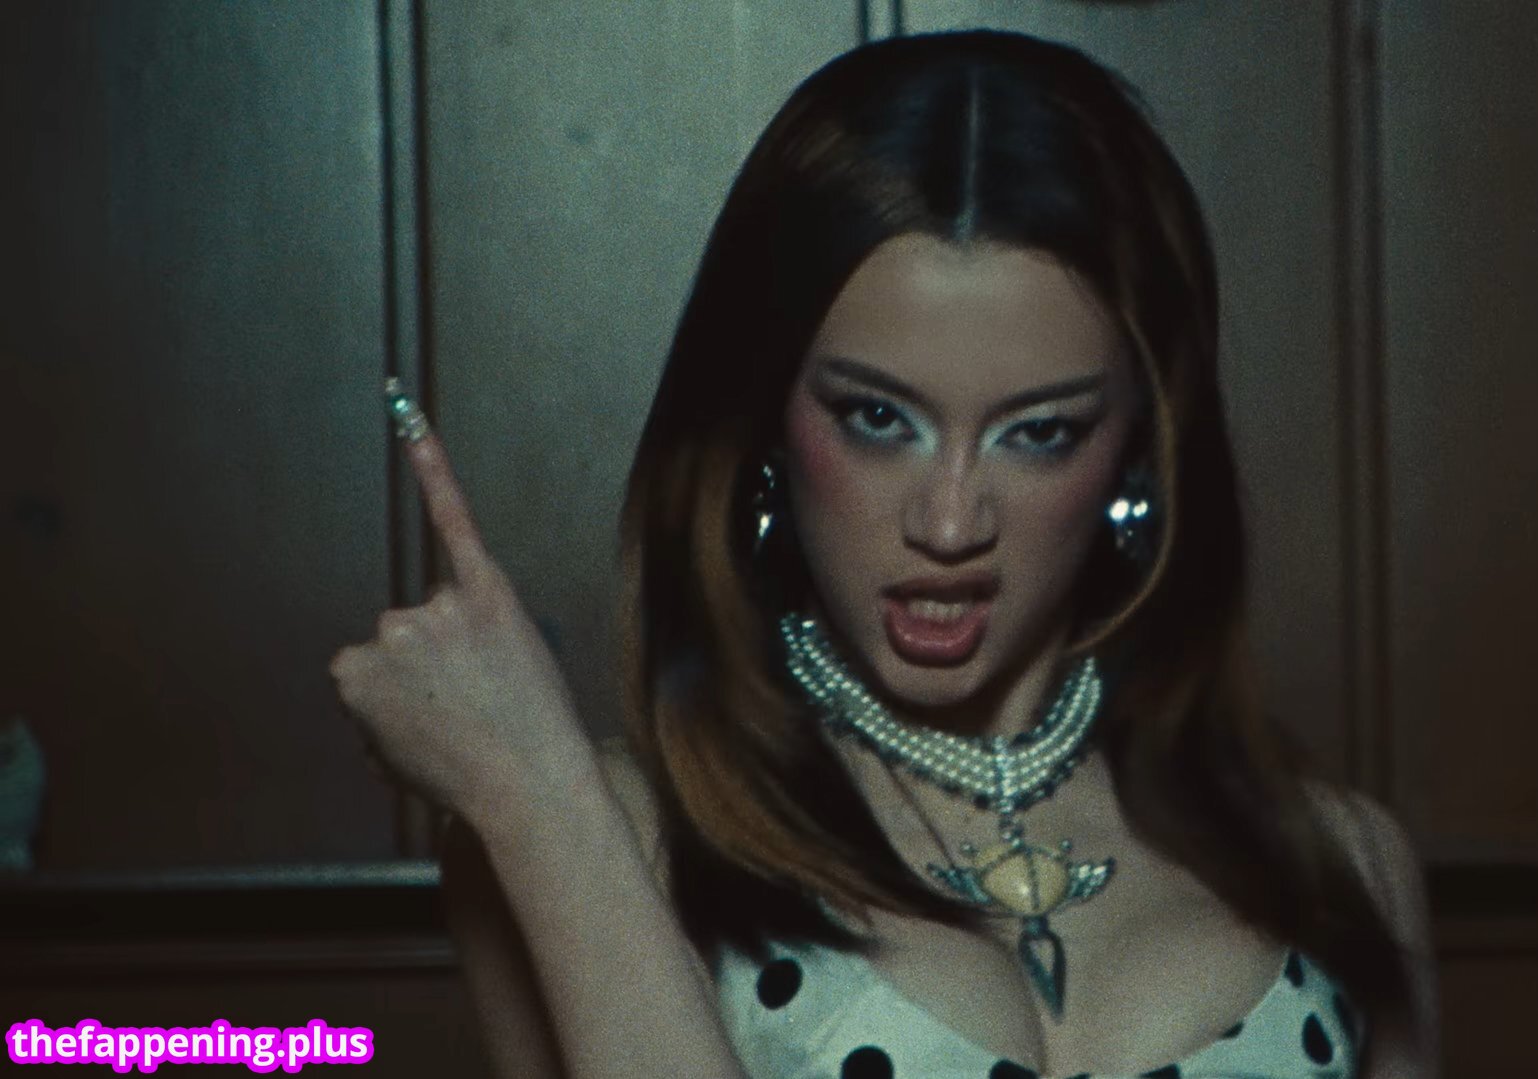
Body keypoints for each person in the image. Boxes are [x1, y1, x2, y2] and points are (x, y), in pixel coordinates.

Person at [330, 28, 1437, 1079]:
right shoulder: (593, 829)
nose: (949, 526)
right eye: (875, 419)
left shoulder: (1345, 862)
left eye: (1039, 433)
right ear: (765, 418)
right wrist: (534, 793)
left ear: (1140, 447)